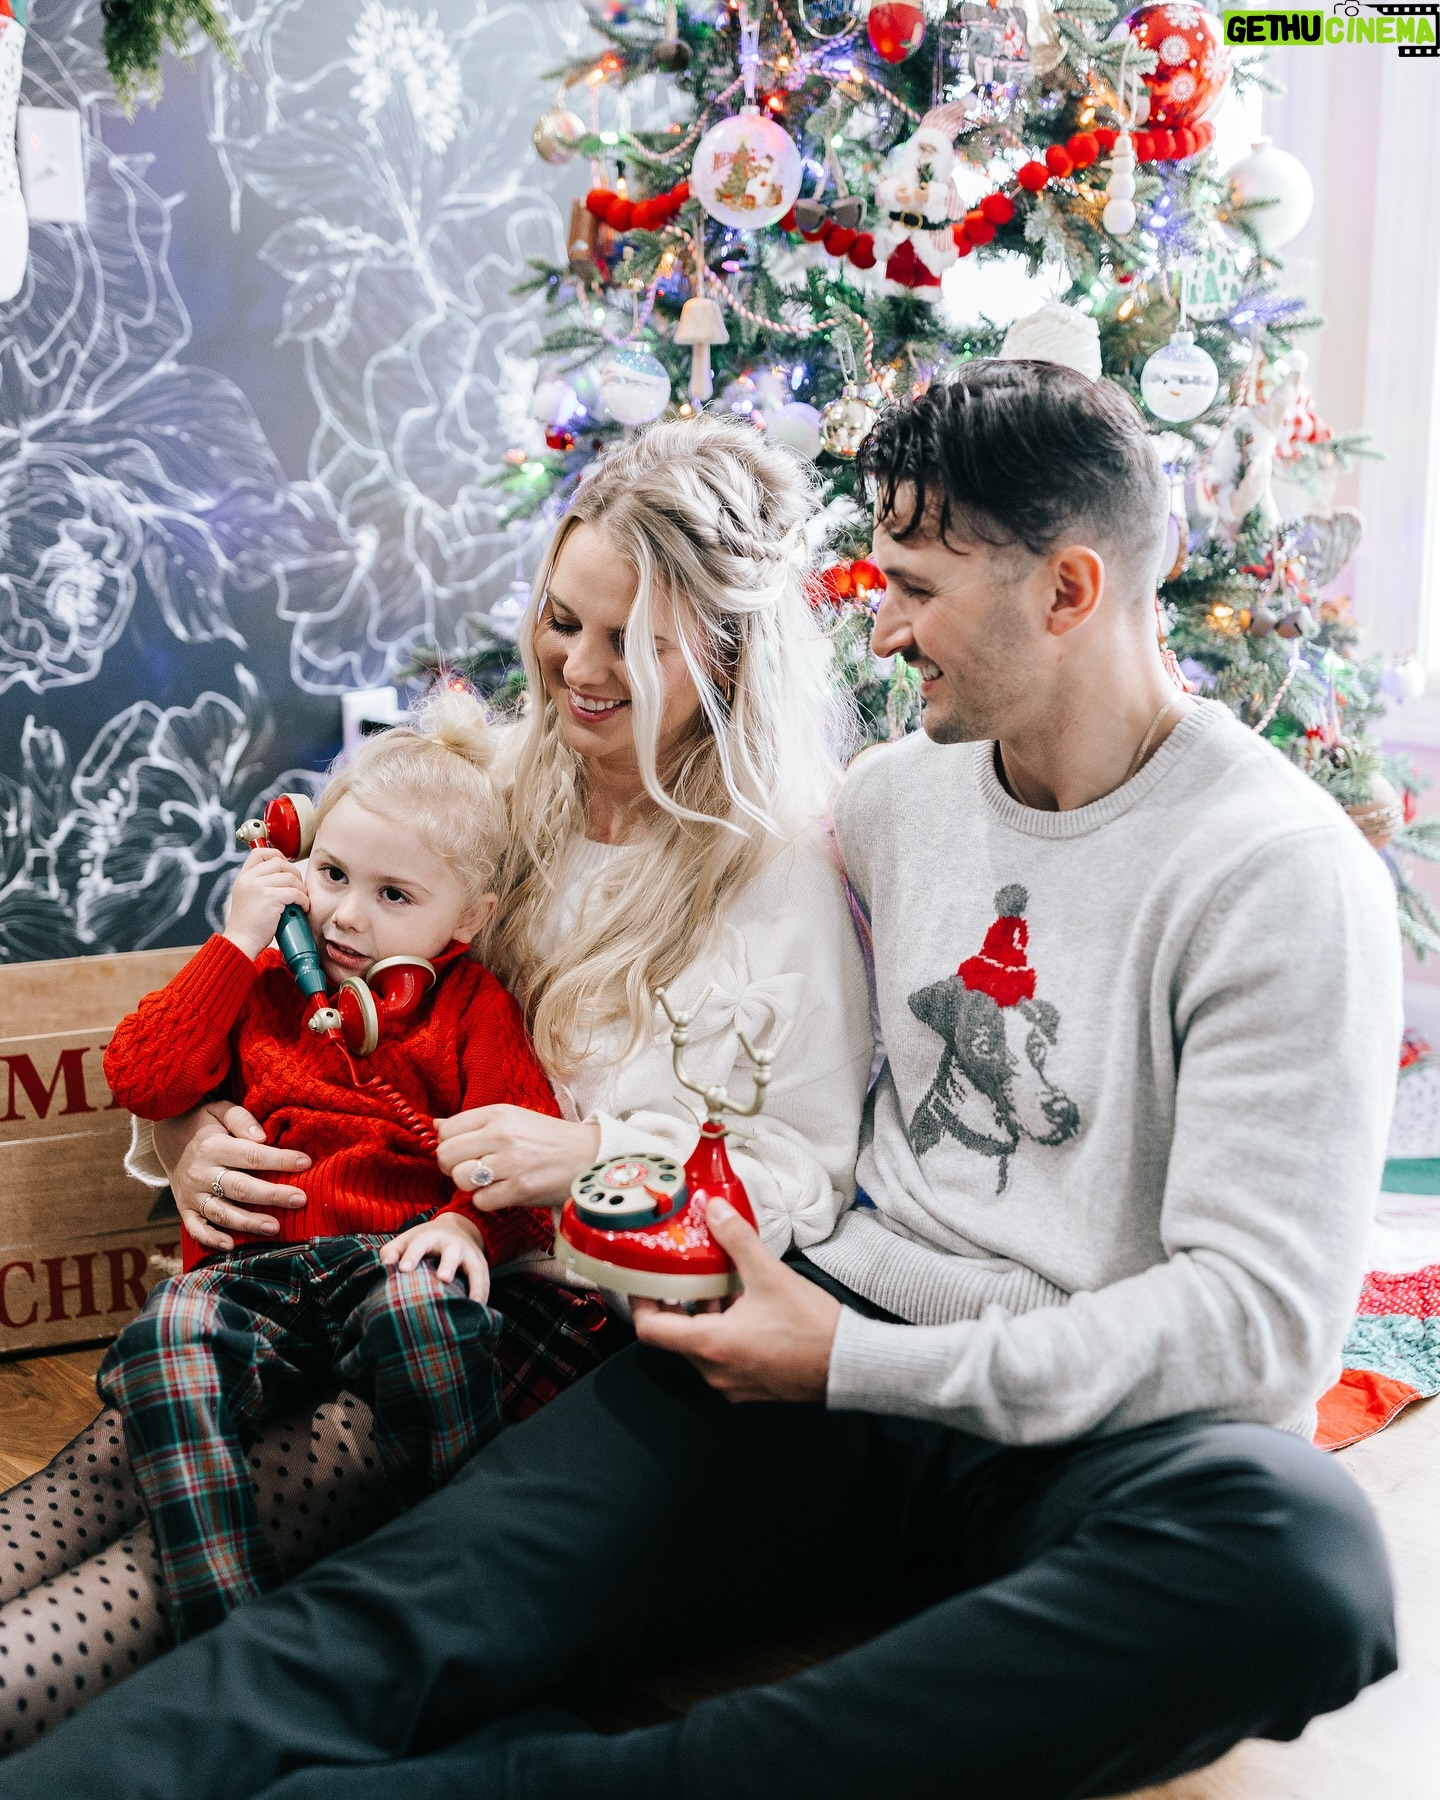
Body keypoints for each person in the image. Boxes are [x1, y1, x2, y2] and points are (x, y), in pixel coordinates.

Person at [0, 364, 1400, 1800]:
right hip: (807, 1348)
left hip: (1088, 1419)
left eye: (915, 588)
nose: (879, 624)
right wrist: (201, 1111)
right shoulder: (896, 800)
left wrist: (856, 1358)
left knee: (1303, 1560)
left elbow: (1258, 1329)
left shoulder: (1278, 874)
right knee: (384, 1612)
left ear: (1068, 590)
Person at [0, 416, 872, 1747]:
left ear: (726, 653)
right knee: (124, 1449)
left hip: (544, 1315)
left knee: (229, 1507)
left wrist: (587, 1163)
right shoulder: (493, 787)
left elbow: (807, 1175)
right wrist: (190, 1135)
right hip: (338, 1245)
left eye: (628, 644)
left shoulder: (778, 873)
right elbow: (286, 980)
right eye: (560, 621)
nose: (577, 670)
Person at [95, 691, 576, 1641]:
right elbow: (142, 1077)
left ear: (471, 917)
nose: (348, 915)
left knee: (432, 1323)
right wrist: (237, 942)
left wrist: (465, 1223)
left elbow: (521, 1154)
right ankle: (226, 1631)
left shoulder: (471, 1007)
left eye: (395, 896)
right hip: (251, 1272)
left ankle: (462, 1586)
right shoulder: (261, 979)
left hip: (389, 1262)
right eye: (333, 873)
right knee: (162, 1341)